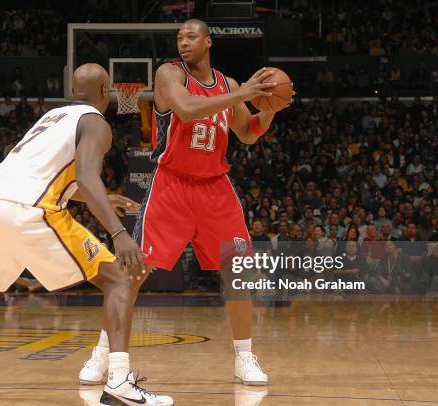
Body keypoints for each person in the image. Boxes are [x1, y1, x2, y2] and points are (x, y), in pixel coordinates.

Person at [0, 64, 173, 406]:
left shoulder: (51, 118)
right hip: (29, 211)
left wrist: (102, 196)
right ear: (107, 92)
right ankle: (118, 383)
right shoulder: (96, 123)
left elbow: (53, 177)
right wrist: (118, 233)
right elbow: (86, 177)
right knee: (122, 279)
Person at [80, 19, 293, 387]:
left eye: (191, 36)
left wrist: (272, 105)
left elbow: (248, 133)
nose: (183, 42)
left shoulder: (228, 84)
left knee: (237, 273)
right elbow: (187, 109)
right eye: (179, 37)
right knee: (133, 271)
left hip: (216, 188)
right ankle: (103, 353)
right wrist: (244, 95)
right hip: (171, 185)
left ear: (208, 41)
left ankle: (244, 357)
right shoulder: (169, 74)